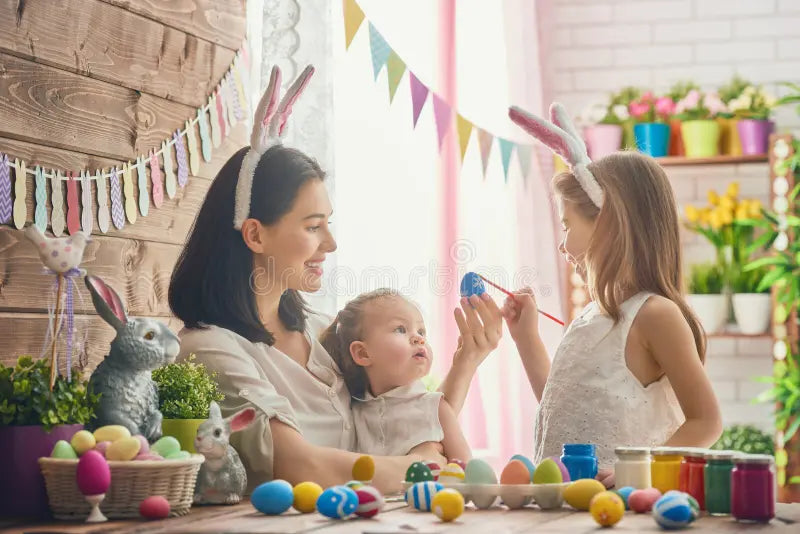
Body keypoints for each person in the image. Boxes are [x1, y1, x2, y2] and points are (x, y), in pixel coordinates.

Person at [169, 65, 502, 493]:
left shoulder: (319, 329)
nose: (331, 243)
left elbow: (403, 421)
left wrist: (466, 360)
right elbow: (299, 465)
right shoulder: (211, 350)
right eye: (313, 227)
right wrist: (421, 468)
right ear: (255, 233)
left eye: (328, 223)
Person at [503, 103, 722, 487]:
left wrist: (635, 474)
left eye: (567, 226)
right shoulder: (593, 315)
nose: (562, 245)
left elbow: (706, 421)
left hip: (622, 511)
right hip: (568, 505)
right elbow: (562, 406)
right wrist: (526, 339)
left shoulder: (655, 315)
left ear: (609, 225)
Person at [320, 289, 472, 461]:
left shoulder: (436, 408)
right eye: (401, 329)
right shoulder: (352, 413)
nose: (418, 338)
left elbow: (469, 473)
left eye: (421, 332)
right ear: (363, 353)